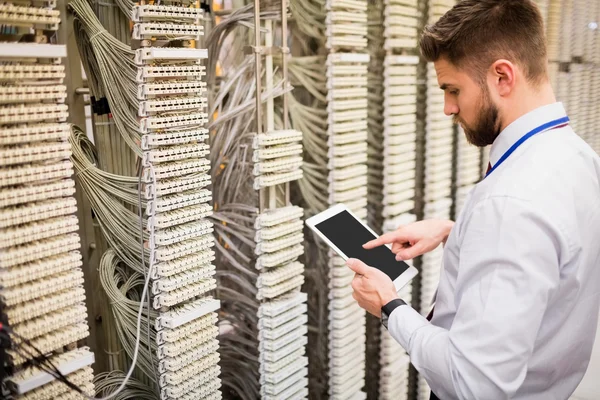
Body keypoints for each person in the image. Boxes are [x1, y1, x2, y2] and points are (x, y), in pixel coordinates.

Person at [347, 0, 600, 399]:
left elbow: (475, 383)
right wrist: (457, 233)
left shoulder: (512, 202)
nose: (449, 108)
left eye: (453, 89)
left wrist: (389, 306)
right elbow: (554, 253)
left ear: (502, 76)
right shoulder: (578, 157)